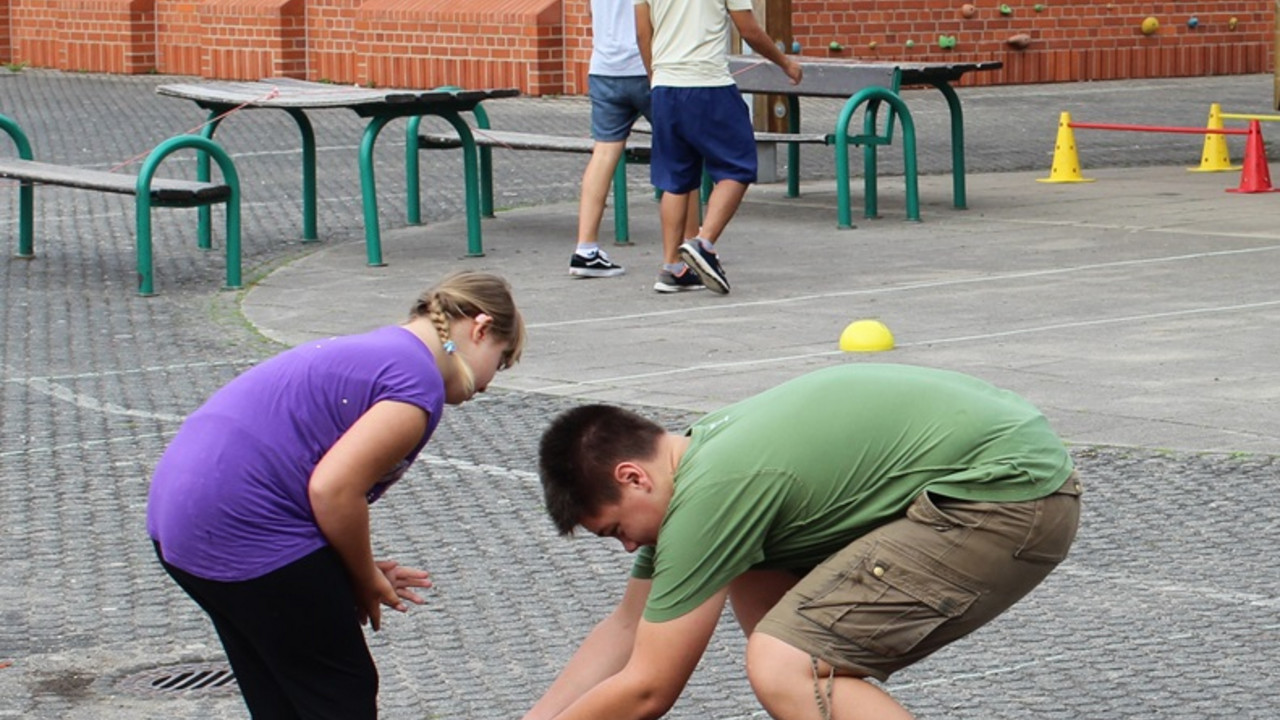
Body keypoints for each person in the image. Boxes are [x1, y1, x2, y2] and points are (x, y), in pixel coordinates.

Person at [526, 363, 1082, 720]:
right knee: (777, 632)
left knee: (785, 664)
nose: (627, 548)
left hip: (1004, 492)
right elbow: (628, 625)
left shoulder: (716, 493)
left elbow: (649, 689)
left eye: (617, 530)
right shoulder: (700, 463)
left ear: (631, 477)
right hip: (1012, 474)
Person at [147, 270, 525, 720]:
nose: (487, 385)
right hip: (243, 526)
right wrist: (364, 578)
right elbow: (333, 490)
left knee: (284, 690)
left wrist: (336, 570)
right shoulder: (416, 384)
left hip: (180, 521)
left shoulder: (387, 352)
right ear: (480, 329)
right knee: (339, 690)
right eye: (500, 362)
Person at [636, 0, 803, 294]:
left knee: (675, 180)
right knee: (738, 165)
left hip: (665, 86)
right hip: (708, 84)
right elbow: (748, 29)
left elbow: (641, 32)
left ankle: (672, 268)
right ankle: (704, 242)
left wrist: (656, 78)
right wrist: (785, 62)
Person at [571, 0, 699, 280]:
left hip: (604, 67)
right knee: (683, 154)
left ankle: (586, 248)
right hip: (648, 67)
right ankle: (692, 246)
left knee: (604, 152)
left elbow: (591, 12)